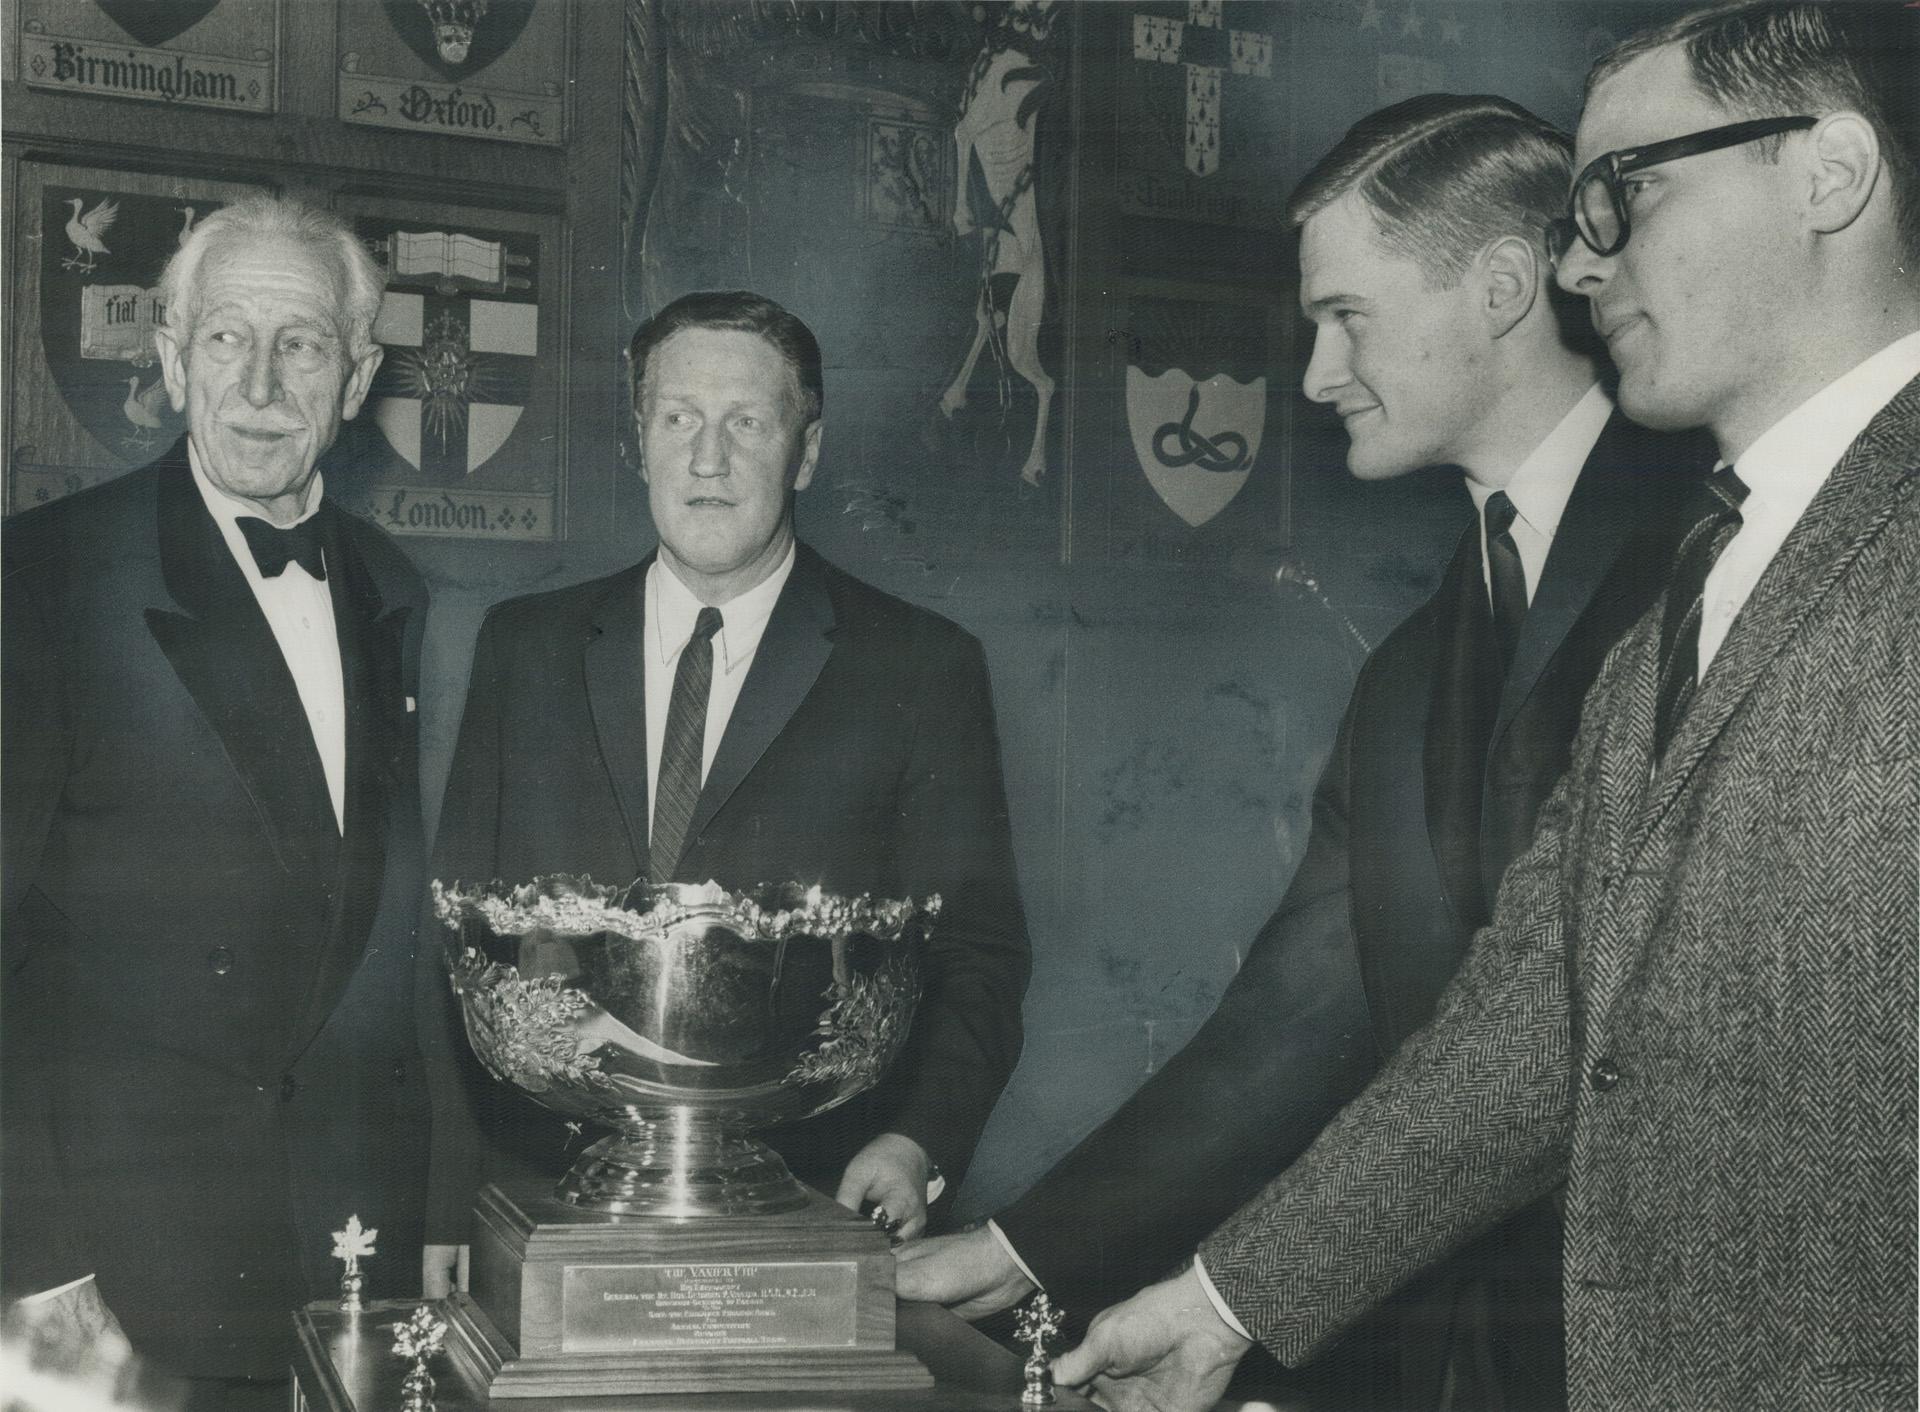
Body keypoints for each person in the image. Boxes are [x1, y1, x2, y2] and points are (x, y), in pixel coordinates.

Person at [1044, 4, 1920, 1409]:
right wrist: (1225, 1302)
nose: (1581, 258)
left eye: (1623, 193)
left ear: (1829, 174)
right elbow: (1539, 1032)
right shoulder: (1701, 579)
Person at [898, 92, 1709, 1410]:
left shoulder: (1719, 554)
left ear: (1505, 286)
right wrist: (1014, 1253)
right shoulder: (1406, 674)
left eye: (1348, 318)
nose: (1319, 374)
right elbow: (1294, 1020)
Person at [425, 290, 1031, 1284]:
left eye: (747, 421)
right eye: (679, 418)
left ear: (807, 450)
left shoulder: (921, 667)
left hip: (801, 1211)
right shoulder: (523, 648)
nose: (708, 458)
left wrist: (921, 1140)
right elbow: (455, 943)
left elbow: (979, 953)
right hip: (550, 1207)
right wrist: (449, 1203)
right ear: (639, 438)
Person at [2, 195, 435, 1411]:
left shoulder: (407, 596)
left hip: (351, 1263)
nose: (258, 382)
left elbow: (401, 956)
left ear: (355, 379)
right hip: (104, 1280)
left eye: (300, 344)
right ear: (172, 357)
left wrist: (439, 1227)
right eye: (225, 339)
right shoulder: (38, 580)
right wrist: (31, 1268)